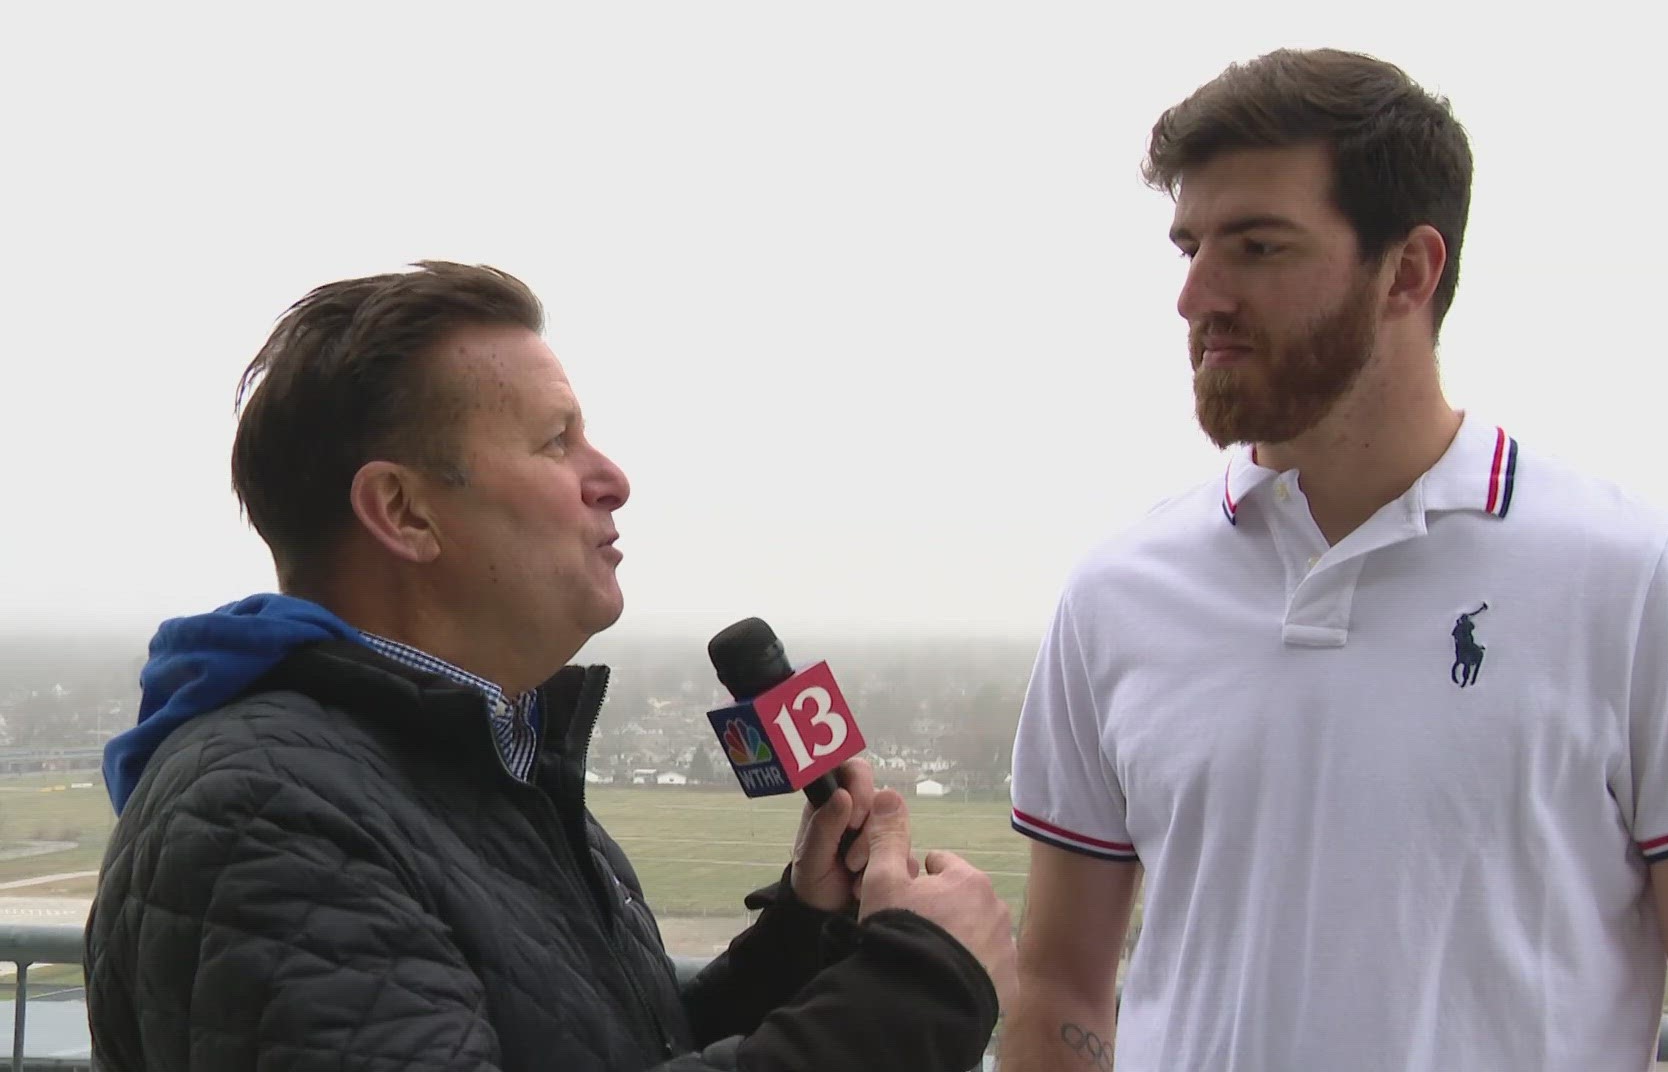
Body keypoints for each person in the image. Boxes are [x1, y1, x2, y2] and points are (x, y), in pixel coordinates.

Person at [1000, 48, 1668, 1072]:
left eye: (1257, 247)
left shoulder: (1643, 586)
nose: (1197, 296)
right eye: (1190, 247)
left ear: (1409, 270)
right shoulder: (1117, 596)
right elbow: (1058, 986)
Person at [84, 261, 1015, 1071]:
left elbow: (608, 1051)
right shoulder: (263, 815)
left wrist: (802, 940)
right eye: (555, 442)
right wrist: (916, 993)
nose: (611, 478)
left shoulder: (478, 770)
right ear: (403, 512)